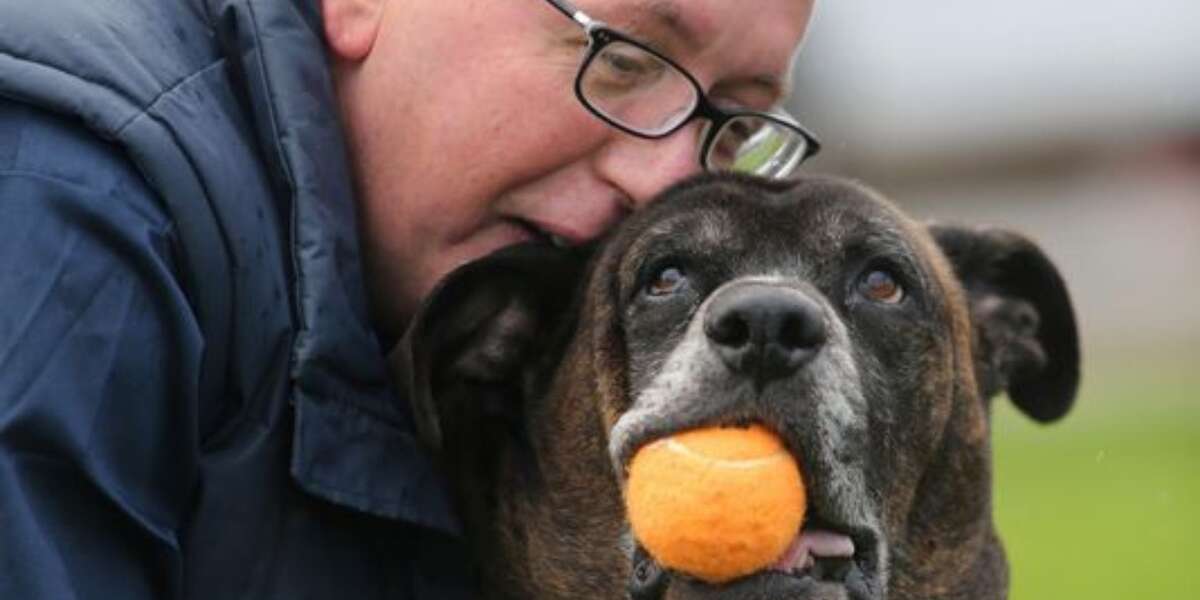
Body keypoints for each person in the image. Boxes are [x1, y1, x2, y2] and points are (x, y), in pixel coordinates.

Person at [0, 0, 817, 597]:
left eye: (738, 128)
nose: (667, 181)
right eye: (625, 60)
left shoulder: (522, 350)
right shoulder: (68, 205)